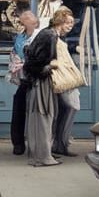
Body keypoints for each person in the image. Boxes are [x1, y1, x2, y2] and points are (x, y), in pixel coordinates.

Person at [21, 14, 60, 167]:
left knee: (41, 116)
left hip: (36, 81)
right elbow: (35, 62)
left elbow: (29, 57)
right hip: (41, 82)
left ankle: (40, 153)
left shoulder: (45, 34)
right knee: (43, 116)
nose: (70, 26)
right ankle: (42, 156)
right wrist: (49, 67)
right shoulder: (49, 36)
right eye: (67, 22)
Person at [48, 7, 80, 158]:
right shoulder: (53, 36)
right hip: (60, 79)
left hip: (63, 79)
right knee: (68, 108)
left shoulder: (59, 37)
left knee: (64, 111)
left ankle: (60, 143)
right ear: (60, 21)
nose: (70, 25)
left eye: (72, 23)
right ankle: (59, 143)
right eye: (68, 22)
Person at [9, 8, 40, 155]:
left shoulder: (40, 35)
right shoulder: (20, 37)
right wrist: (16, 61)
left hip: (38, 78)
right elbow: (15, 52)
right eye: (25, 18)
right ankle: (18, 143)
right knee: (19, 107)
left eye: (30, 16)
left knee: (40, 112)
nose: (30, 18)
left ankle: (41, 143)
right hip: (24, 78)